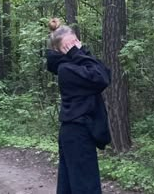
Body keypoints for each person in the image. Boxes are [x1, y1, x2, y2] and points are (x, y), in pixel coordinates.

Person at [46, 18, 111, 194]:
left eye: (76, 42)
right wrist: (79, 54)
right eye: (70, 46)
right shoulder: (66, 69)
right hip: (77, 133)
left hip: (76, 132)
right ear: (60, 51)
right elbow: (101, 79)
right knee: (86, 187)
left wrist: (80, 53)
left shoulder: (75, 63)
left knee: (69, 185)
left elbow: (104, 71)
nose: (76, 47)